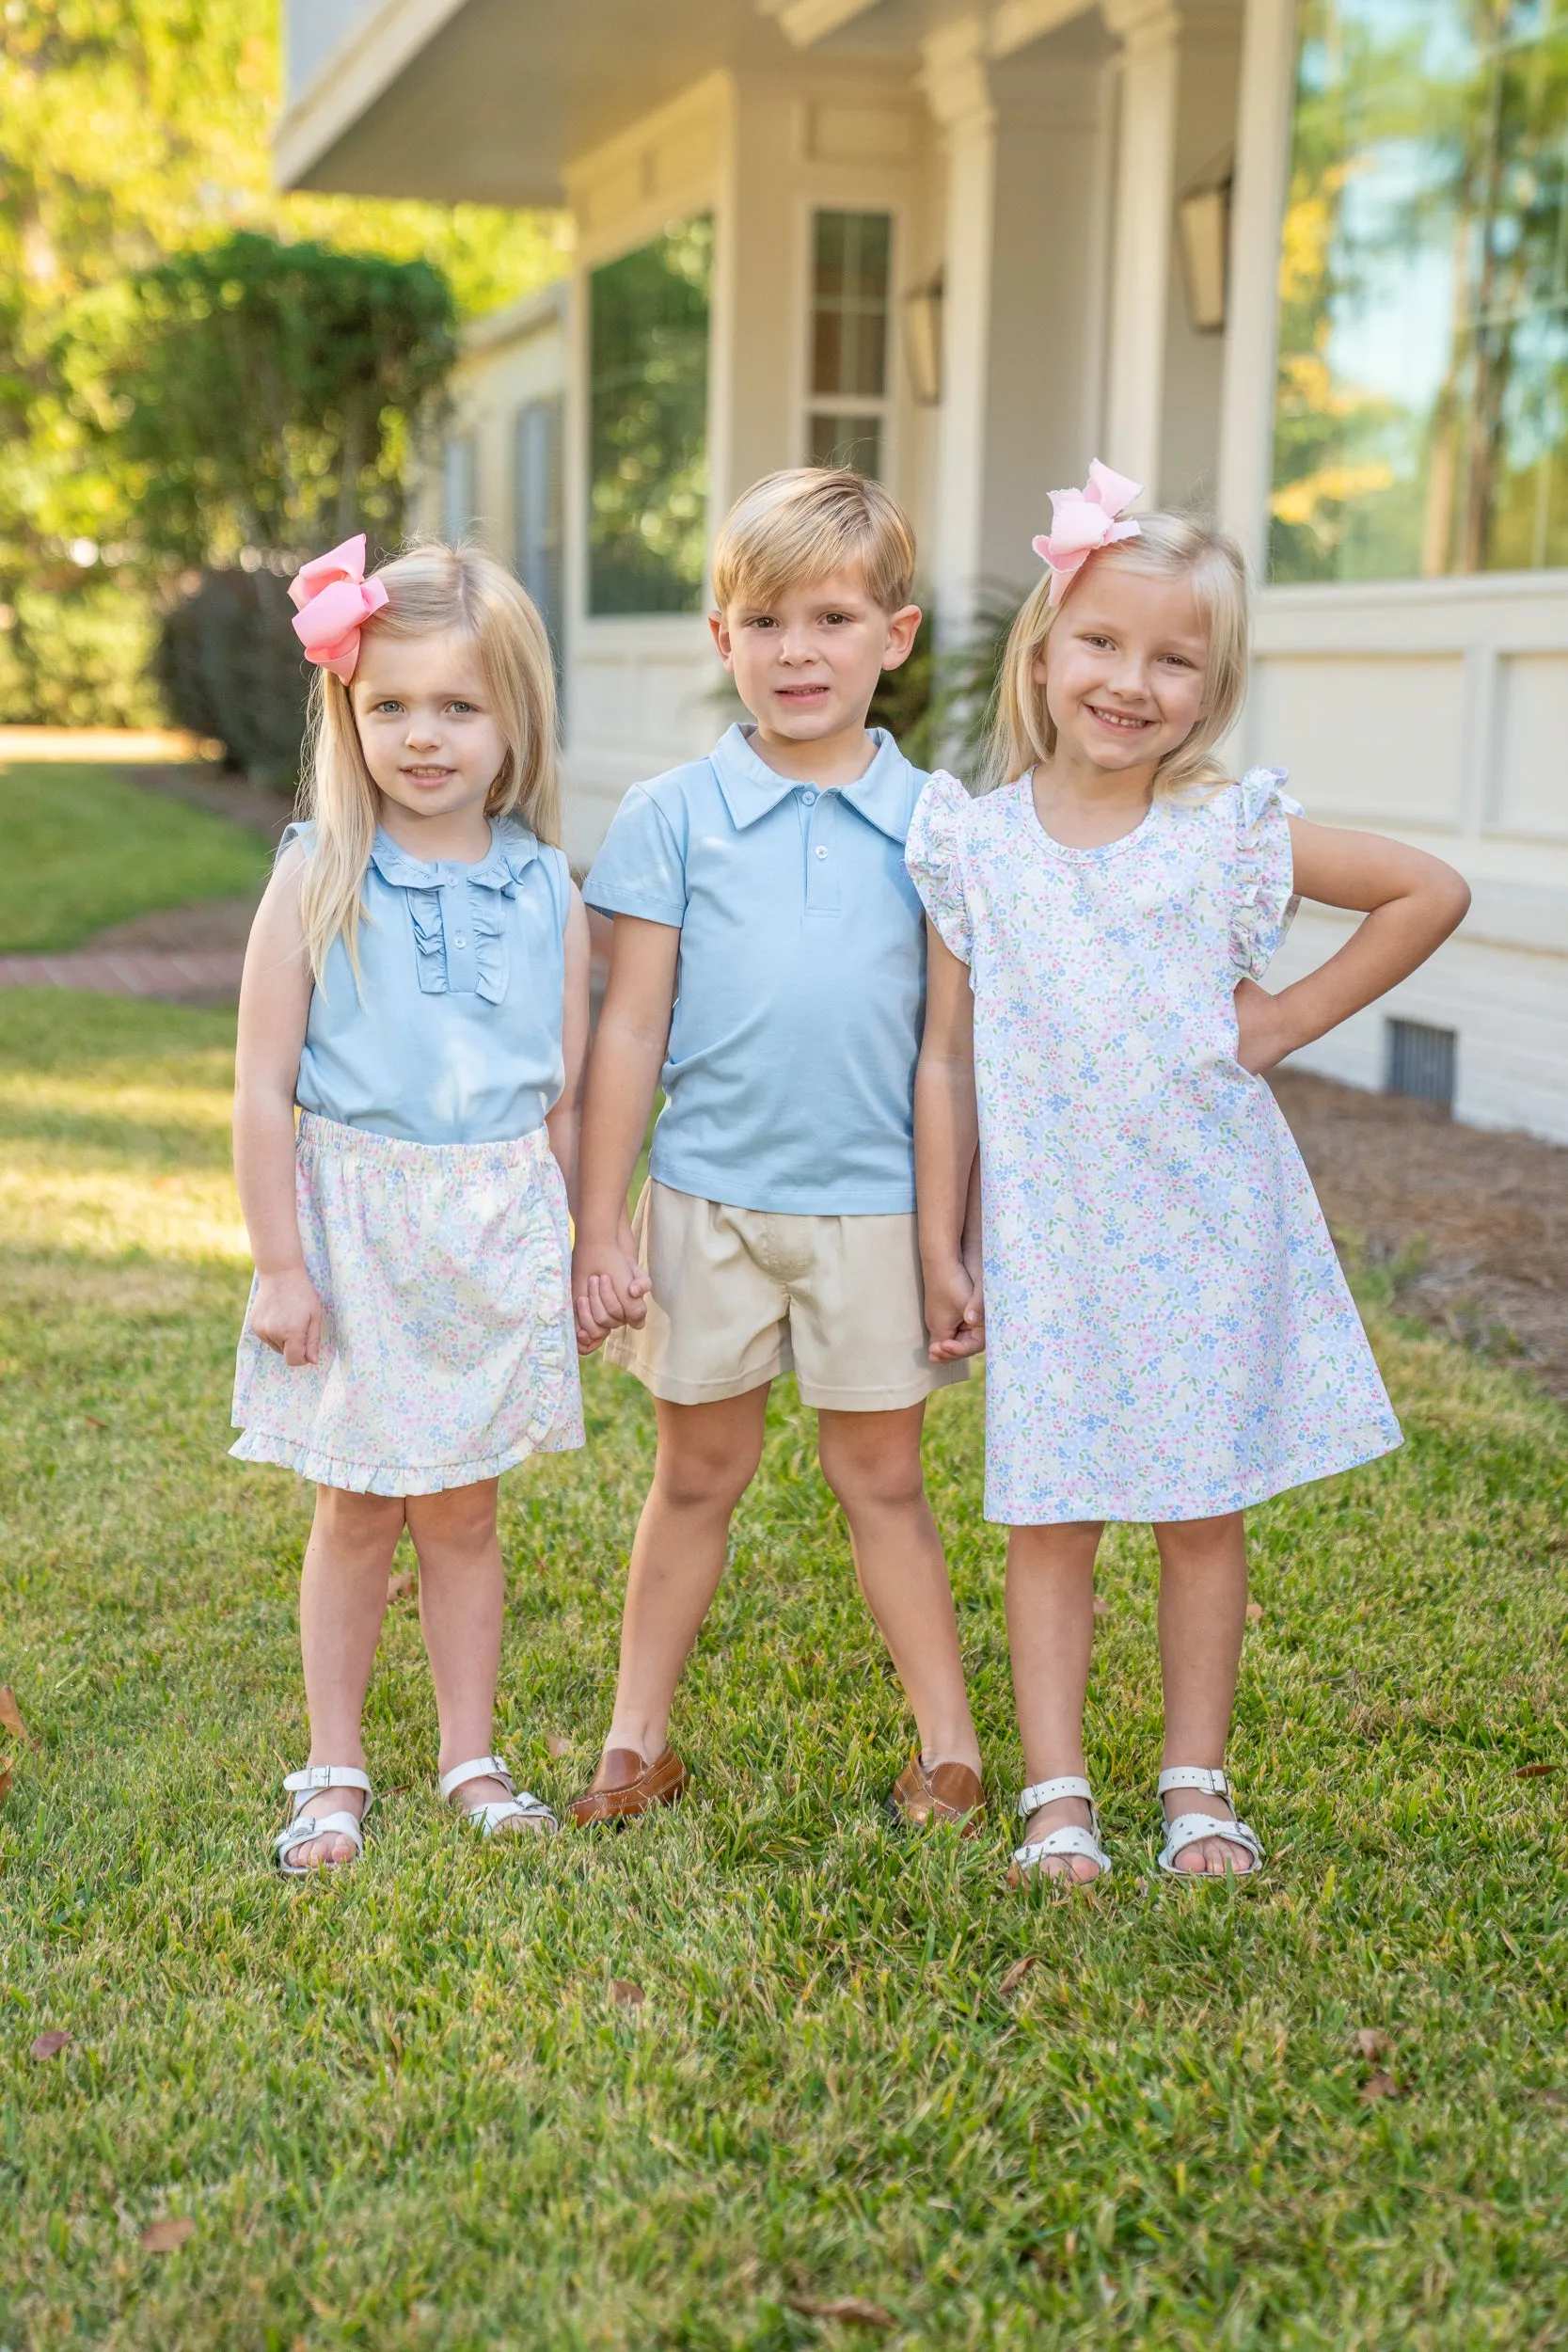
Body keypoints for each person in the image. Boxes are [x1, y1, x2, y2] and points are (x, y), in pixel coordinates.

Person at [909, 463, 1470, 1886]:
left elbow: (1425, 890)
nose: (1130, 680)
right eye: (1100, 642)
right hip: (1049, 1237)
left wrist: (1277, 1020)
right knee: (1051, 1513)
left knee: (1196, 1511)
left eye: (1174, 660)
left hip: (1205, 1227)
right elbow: (946, 1062)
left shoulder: (1223, 838)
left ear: (1209, 694)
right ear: (1040, 655)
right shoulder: (972, 848)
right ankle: (1054, 1792)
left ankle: (1194, 1785)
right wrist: (940, 1244)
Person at [568, 469, 985, 1833]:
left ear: (895, 637)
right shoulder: (669, 816)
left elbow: (944, 1055)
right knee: (694, 1475)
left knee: (883, 1482)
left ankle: (948, 1746)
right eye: (765, 622)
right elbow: (628, 1034)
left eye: (832, 618)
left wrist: (942, 1244)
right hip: (707, 1207)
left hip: (870, 1212)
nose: (797, 651)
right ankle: (637, 1742)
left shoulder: (940, 827)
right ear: (720, 638)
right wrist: (600, 1221)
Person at [231, 537, 589, 1873]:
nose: (423, 737)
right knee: (356, 1506)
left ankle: (467, 1754)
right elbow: (265, 1085)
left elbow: (556, 1092)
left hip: (489, 1228)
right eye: (389, 706)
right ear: (347, 713)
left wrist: (570, 1243)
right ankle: (333, 1767)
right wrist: (281, 1264)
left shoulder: (548, 889)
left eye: (457, 707)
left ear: (513, 721)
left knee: (465, 1508)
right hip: (353, 1225)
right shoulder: (318, 869)